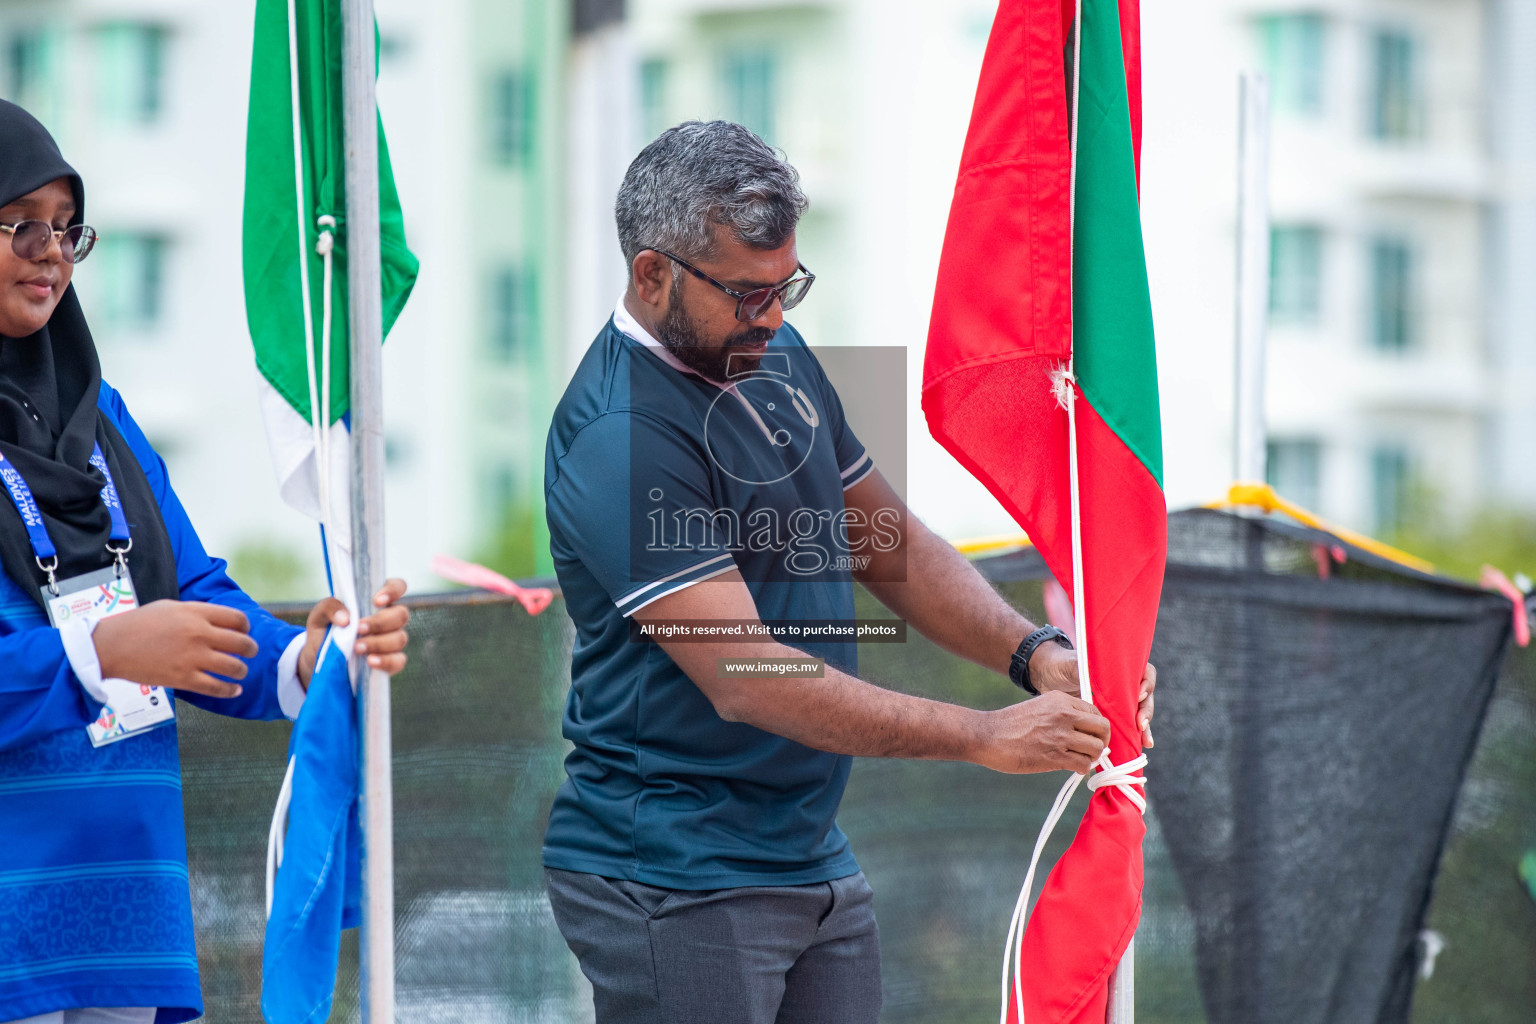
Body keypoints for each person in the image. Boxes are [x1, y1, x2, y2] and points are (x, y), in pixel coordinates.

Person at [541, 120, 1158, 1024]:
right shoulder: (617, 437)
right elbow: (748, 678)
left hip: (807, 853)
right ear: (651, 274)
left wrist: (1036, 654)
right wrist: (983, 735)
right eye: (748, 293)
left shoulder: (776, 356)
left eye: (788, 284)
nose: (776, 315)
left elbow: (889, 545)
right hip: (670, 874)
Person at [0, 101, 411, 1024]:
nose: (51, 251)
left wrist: (310, 662)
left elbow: (190, 601)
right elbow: (131, 643)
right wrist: (104, 653)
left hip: (122, 922)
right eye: (20, 221)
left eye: (69, 228)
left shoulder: (98, 419)